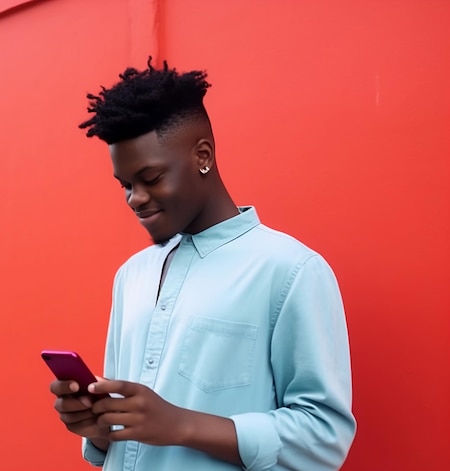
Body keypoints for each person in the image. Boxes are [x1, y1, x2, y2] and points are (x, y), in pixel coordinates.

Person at [49, 59, 356, 471]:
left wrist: (181, 425)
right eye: (125, 185)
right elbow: (128, 432)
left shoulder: (290, 271)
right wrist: (98, 425)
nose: (135, 198)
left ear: (203, 156)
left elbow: (324, 437)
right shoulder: (132, 276)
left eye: (151, 177)